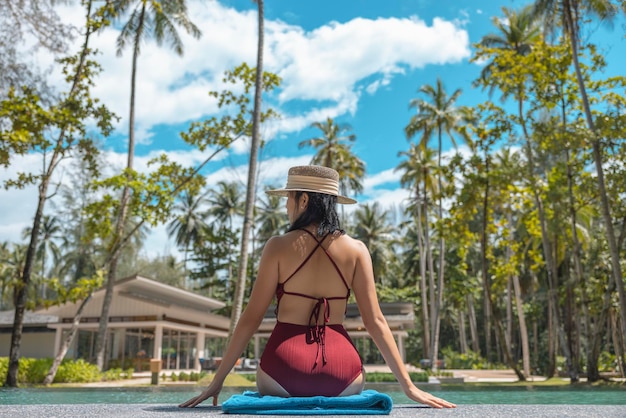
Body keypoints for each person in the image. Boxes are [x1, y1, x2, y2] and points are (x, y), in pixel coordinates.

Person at [179, 165, 455, 409]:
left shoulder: (277, 247)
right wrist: (409, 386)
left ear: (304, 199)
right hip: (344, 378)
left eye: (288, 197)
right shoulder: (358, 250)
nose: (286, 205)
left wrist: (218, 381)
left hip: (282, 374)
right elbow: (376, 322)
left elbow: (251, 318)